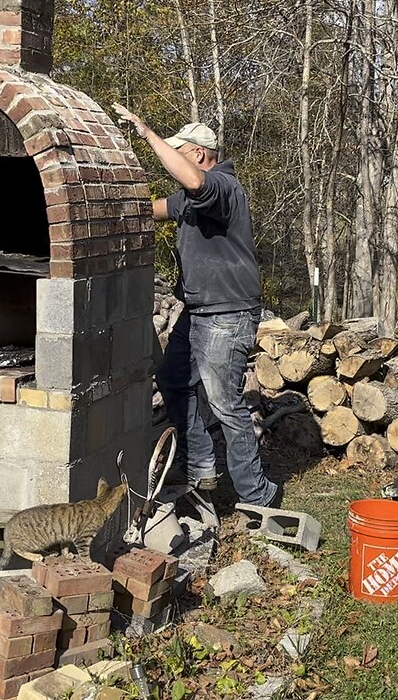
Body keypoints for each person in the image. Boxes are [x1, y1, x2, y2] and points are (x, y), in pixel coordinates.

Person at [111, 104, 280, 508]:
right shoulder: (194, 198)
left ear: (200, 154)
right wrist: (109, 206)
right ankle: (202, 467)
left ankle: (258, 494)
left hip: (227, 314)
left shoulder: (222, 188)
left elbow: (192, 181)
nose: (176, 160)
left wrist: (147, 133)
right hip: (199, 312)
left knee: (226, 405)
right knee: (172, 381)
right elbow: (155, 208)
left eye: (180, 151)